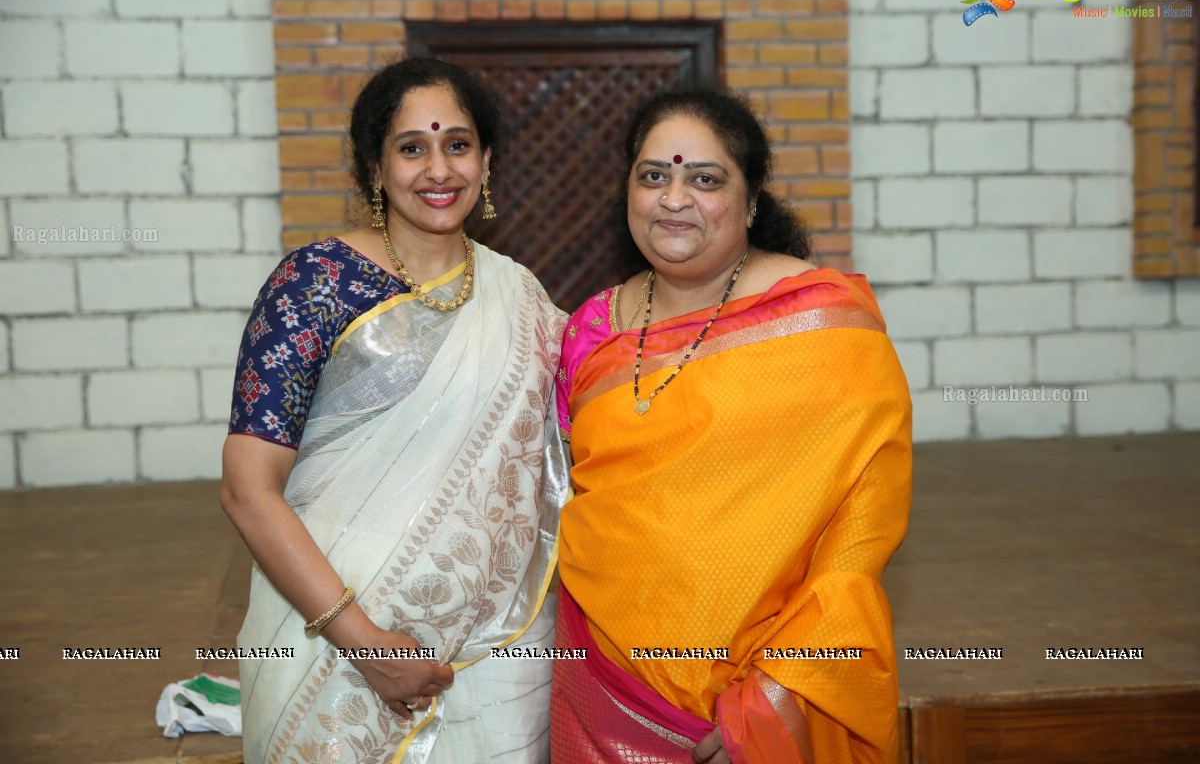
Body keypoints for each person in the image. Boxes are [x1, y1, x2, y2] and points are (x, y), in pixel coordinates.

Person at [221, 57, 569, 764]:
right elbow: (246, 489)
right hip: (331, 639)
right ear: (375, 169)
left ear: (487, 160)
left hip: (494, 645)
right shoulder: (313, 284)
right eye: (413, 148)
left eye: (458, 145)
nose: (439, 169)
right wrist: (364, 642)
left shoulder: (521, 296)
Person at [550, 89, 912, 764]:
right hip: (601, 680)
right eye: (653, 176)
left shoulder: (823, 322)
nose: (673, 198)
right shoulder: (591, 329)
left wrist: (778, 696)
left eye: (705, 179)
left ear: (749, 205)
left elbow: (858, 535)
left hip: (763, 689)